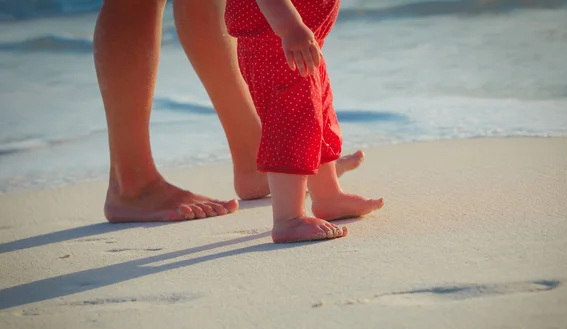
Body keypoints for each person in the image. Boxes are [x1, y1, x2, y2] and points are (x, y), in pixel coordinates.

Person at [92, 0, 365, 223]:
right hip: (279, 40)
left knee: (310, 109)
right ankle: (132, 181)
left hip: (293, 42)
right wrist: (287, 23)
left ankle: (255, 158)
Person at [225, 0, 384, 243]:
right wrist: (288, 26)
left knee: (315, 118)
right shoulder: (284, 34)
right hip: (276, 44)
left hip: (299, 44)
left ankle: (328, 196)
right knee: (292, 126)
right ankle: (288, 219)